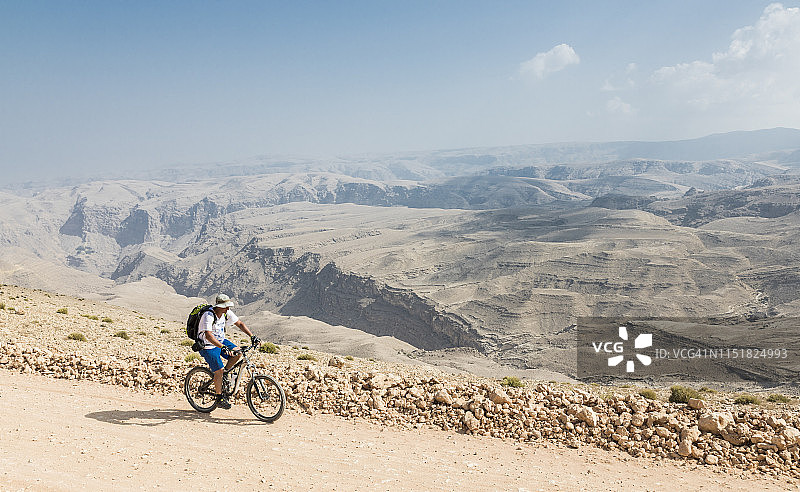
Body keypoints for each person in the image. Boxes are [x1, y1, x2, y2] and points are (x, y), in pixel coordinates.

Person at [198, 293, 260, 410]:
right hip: (208, 346)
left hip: (220, 341)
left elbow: (240, 324)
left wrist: (252, 336)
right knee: (219, 371)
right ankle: (219, 397)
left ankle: (225, 373)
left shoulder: (226, 313)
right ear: (219, 306)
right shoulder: (209, 315)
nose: (228, 308)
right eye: (226, 306)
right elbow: (208, 336)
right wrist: (222, 347)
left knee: (238, 352)